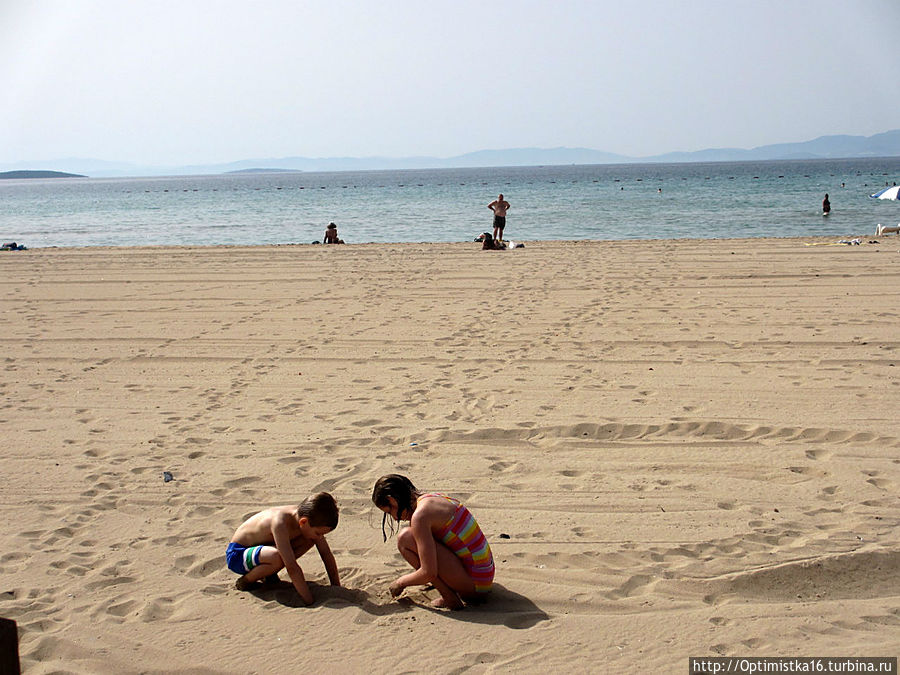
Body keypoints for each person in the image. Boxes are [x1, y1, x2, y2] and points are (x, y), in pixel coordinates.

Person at [372, 474, 494, 609]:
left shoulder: (420, 516)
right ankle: (451, 590)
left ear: (393, 501)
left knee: (405, 538)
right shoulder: (431, 498)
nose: (395, 519)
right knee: (416, 538)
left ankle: (450, 598)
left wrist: (400, 582)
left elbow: (428, 572)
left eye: (390, 512)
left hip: (476, 586)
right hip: (485, 576)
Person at [226, 492, 341, 604]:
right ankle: (246, 581)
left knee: (309, 540)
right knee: (277, 557)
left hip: (261, 551)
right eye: (318, 533)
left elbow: (326, 554)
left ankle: (269, 575)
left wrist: (336, 586)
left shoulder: (305, 517)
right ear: (303, 522)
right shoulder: (280, 523)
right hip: (238, 555)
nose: (320, 537)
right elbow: (291, 566)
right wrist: (308, 600)